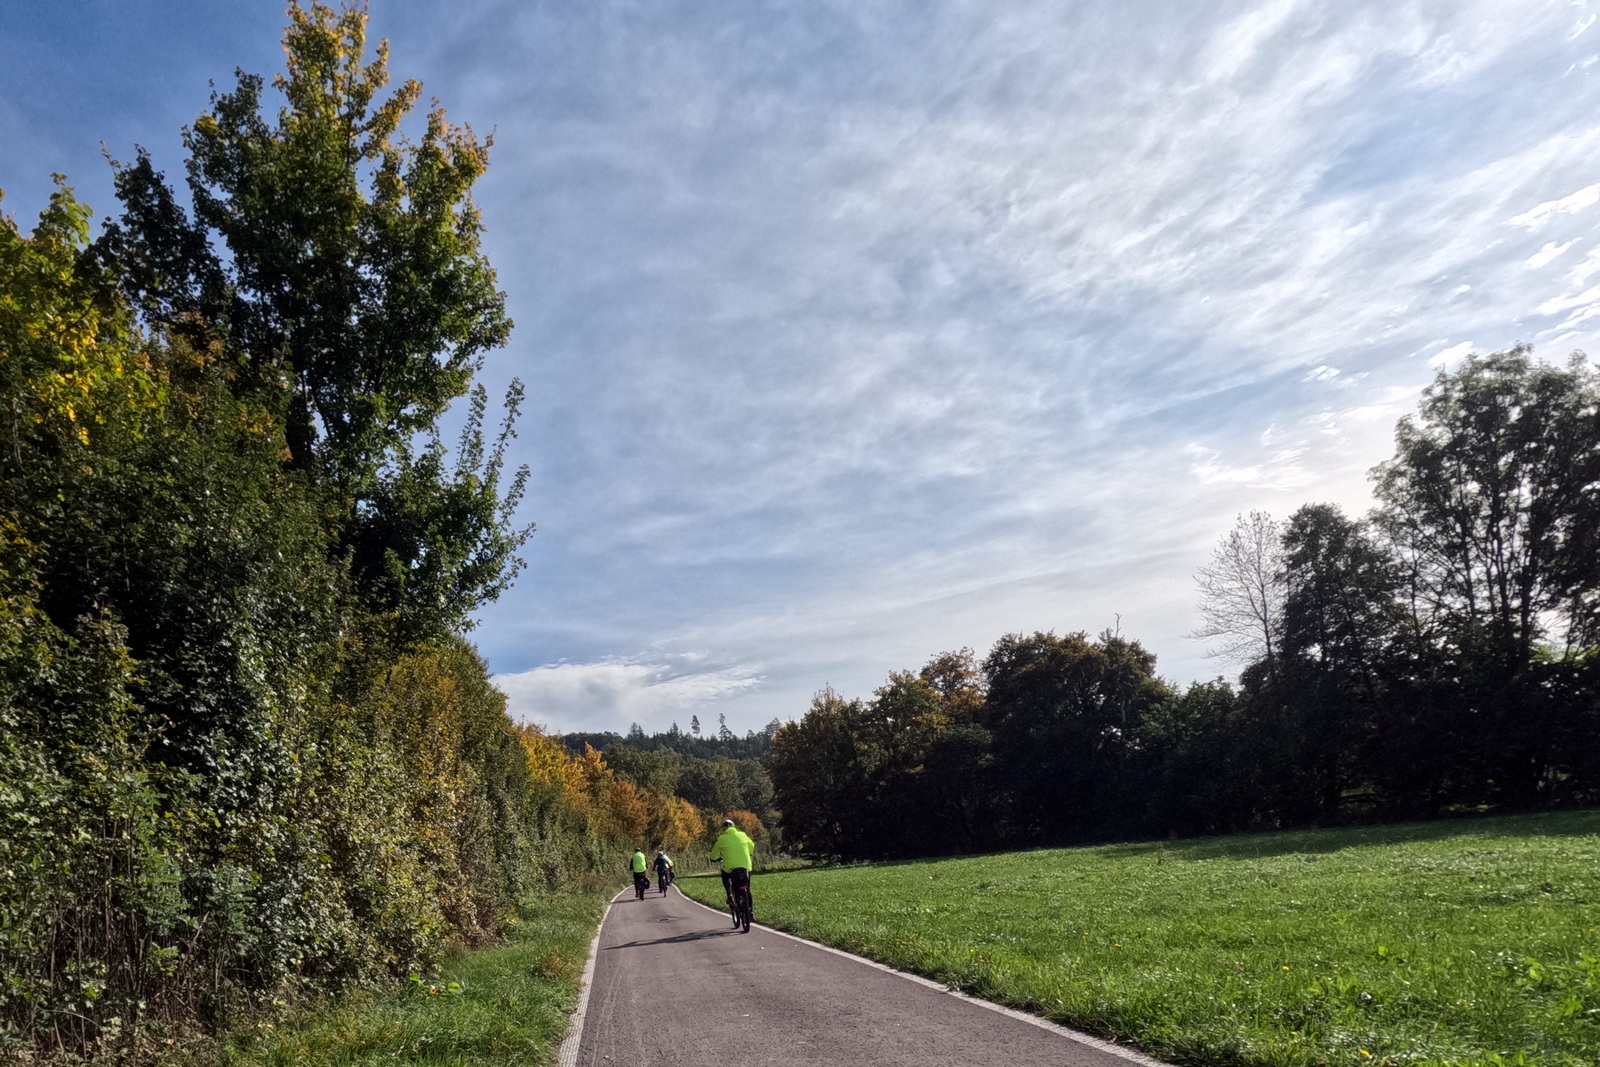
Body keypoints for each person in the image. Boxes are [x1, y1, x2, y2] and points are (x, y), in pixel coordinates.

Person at [709, 819, 756, 926]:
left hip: (730, 868)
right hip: (745, 866)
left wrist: (713, 859)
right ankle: (751, 912)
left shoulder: (722, 839)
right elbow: (752, 845)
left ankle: (730, 894)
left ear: (723, 829)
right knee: (747, 889)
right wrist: (749, 853)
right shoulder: (743, 835)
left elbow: (714, 853)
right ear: (734, 826)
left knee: (725, 876)